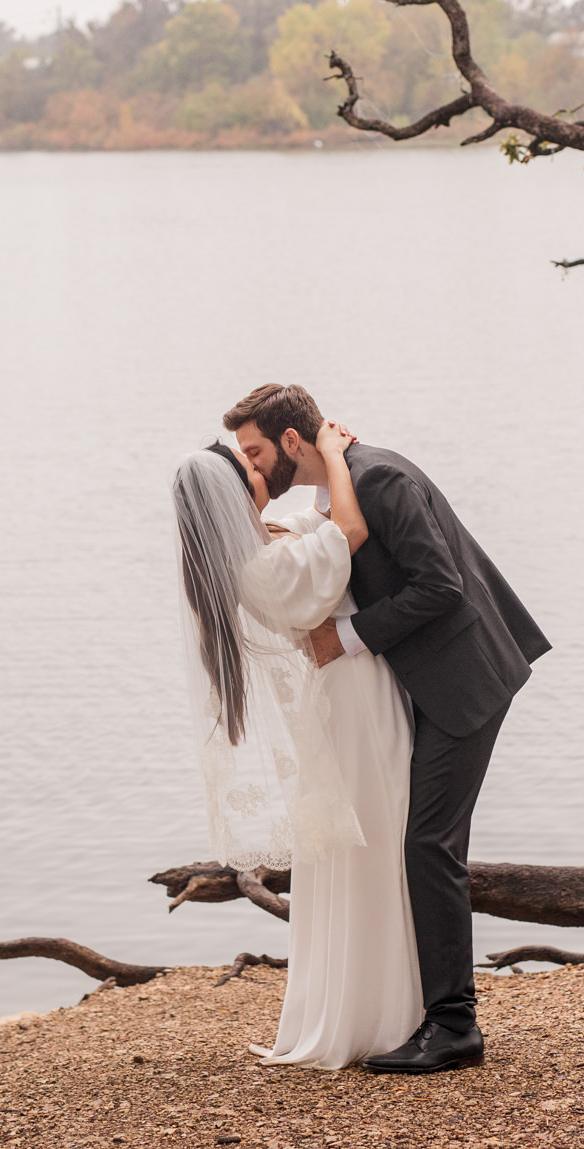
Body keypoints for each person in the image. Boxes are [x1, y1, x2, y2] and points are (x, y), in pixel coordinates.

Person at [223, 383, 550, 1076]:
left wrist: (346, 636)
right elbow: (340, 548)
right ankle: (427, 1010)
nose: (247, 466)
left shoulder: (381, 478)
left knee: (428, 841)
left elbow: (442, 586)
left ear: (289, 442)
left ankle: (454, 1025)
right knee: (424, 839)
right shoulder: (339, 491)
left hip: (467, 682)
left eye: (253, 450)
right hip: (426, 687)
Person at [172, 423, 420, 1068]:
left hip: (343, 699)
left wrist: (321, 474)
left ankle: (376, 1004)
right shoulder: (262, 567)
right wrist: (334, 454)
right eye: (247, 465)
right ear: (233, 492)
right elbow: (349, 533)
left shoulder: (264, 549)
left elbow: (325, 524)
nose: (260, 471)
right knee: (378, 841)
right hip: (354, 703)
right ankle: (383, 1015)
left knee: (364, 846)